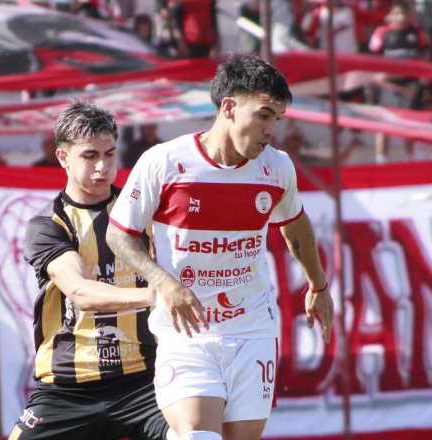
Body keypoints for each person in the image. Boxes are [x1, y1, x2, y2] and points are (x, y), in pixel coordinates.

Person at [106, 54, 333, 440]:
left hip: (252, 330)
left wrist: (318, 286)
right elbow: (119, 235)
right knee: (198, 435)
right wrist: (166, 283)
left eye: (277, 118)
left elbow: (295, 228)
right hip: (187, 331)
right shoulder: (165, 162)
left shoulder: (277, 168)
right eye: (263, 115)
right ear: (229, 107)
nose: (270, 129)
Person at [8, 102, 167, 440]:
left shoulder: (143, 215)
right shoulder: (48, 225)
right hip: (68, 387)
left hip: (144, 381)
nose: (103, 166)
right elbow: (80, 292)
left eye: (110, 154)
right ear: (63, 157)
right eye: (90, 155)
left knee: (193, 434)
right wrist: (156, 294)